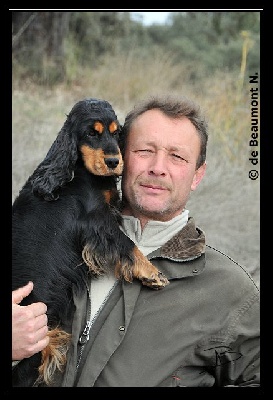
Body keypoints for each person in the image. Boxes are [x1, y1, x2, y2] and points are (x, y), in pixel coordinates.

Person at [12, 95, 260, 387]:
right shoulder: (43, 239)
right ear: (120, 154)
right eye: (144, 150)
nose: (158, 167)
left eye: (177, 156)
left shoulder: (228, 290)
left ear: (197, 175)